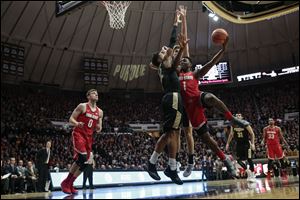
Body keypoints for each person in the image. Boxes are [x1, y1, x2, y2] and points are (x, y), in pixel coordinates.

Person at [177, 6, 250, 178]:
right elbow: (183, 48)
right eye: (183, 60)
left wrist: (223, 51)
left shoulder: (194, 73)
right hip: (188, 110)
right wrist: (183, 23)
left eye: (188, 59)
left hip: (198, 99)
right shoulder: (176, 73)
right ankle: (225, 161)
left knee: (210, 97)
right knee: (207, 140)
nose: (186, 60)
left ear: (191, 64)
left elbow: (210, 62)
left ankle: (231, 118)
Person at [146, 12, 189, 184]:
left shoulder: (167, 65)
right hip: (172, 98)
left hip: (174, 98)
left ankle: (172, 168)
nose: (165, 49)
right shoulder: (165, 64)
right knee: (170, 133)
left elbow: (173, 51)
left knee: (174, 133)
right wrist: (179, 44)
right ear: (161, 59)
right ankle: (152, 162)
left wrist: (175, 23)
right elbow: (172, 47)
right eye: (162, 51)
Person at [61, 89, 103, 194]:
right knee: (83, 157)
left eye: (97, 93)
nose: (96, 94)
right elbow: (71, 119)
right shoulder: (82, 106)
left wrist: (98, 127)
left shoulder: (100, 112)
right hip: (79, 134)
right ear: (88, 96)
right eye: (93, 93)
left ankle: (69, 183)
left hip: (89, 138)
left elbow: (99, 128)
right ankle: (66, 182)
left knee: (85, 163)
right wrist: (77, 123)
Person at [226, 113, 256, 182]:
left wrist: (253, 144)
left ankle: (252, 174)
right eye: (236, 115)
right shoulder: (233, 124)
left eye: (239, 115)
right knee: (238, 160)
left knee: (249, 159)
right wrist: (227, 143)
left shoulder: (245, 123)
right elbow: (231, 135)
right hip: (239, 144)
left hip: (246, 144)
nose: (238, 116)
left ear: (242, 117)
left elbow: (252, 134)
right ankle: (247, 171)